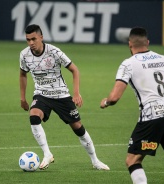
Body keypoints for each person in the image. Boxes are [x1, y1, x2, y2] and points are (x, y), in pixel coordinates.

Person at [100, 27, 164, 183]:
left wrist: (106, 102)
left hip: (151, 116)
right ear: (147, 42)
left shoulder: (128, 64)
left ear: (129, 44)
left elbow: (114, 97)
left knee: (132, 161)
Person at [19, 24, 109, 171]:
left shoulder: (54, 52)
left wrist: (76, 93)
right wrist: (23, 98)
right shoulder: (24, 55)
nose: (31, 43)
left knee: (78, 128)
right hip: (42, 94)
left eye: (33, 39)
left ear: (41, 37)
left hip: (61, 95)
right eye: (28, 40)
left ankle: (95, 161)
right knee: (34, 117)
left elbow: (74, 70)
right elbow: (23, 74)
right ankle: (47, 154)